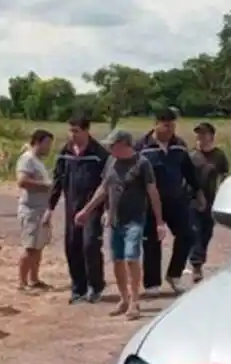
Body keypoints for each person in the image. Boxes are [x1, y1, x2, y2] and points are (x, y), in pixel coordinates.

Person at [76, 130, 166, 320]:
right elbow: (104, 189)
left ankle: (135, 302)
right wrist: (87, 210)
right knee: (117, 260)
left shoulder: (142, 164)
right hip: (115, 220)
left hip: (135, 219)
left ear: (124, 144)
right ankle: (123, 299)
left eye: (112, 145)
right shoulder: (111, 161)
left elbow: (153, 193)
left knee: (132, 258)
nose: (109, 148)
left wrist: (159, 222)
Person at [135, 108, 204, 296]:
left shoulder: (179, 145)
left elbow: (188, 171)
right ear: (156, 123)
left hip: (176, 199)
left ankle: (174, 274)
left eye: (173, 125)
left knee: (187, 235)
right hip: (149, 202)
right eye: (166, 125)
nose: (170, 129)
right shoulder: (141, 147)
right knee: (151, 241)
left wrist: (198, 192)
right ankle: (152, 284)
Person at [45, 113, 110, 304]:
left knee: (90, 245)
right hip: (71, 207)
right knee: (72, 246)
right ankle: (78, 288)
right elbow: (57, 180)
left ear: (86, 130)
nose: (72, 134)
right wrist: (50, 207)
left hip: (93, 207)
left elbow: (107, 185)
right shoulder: (65, 152)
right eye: (70, 130)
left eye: (76, 131)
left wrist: (106, 209)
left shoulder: (99, 154)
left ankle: (95, 286)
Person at [188, 122, 230, 283]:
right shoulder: (191, 156)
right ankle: (196, 265)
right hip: (192, 200)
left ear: (211, 136)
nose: (201, 137)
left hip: (212, 199)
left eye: (204, 134)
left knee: (207, 232)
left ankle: (200, 258)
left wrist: (223, 192)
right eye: (198, 134)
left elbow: (224, 174)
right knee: (195, 231)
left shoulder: (218, 155)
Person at [15, 129, 55, 291]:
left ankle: (34, 279)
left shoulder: (37, 161)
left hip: (41, 210)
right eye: (47, 144)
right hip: (31, 210)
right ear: (38, 142)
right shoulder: (27, 159)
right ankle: (22, 282)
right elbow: (22, 181)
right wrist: (46, 186)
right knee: (30, 247)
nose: (49, 148)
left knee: (38, 246)